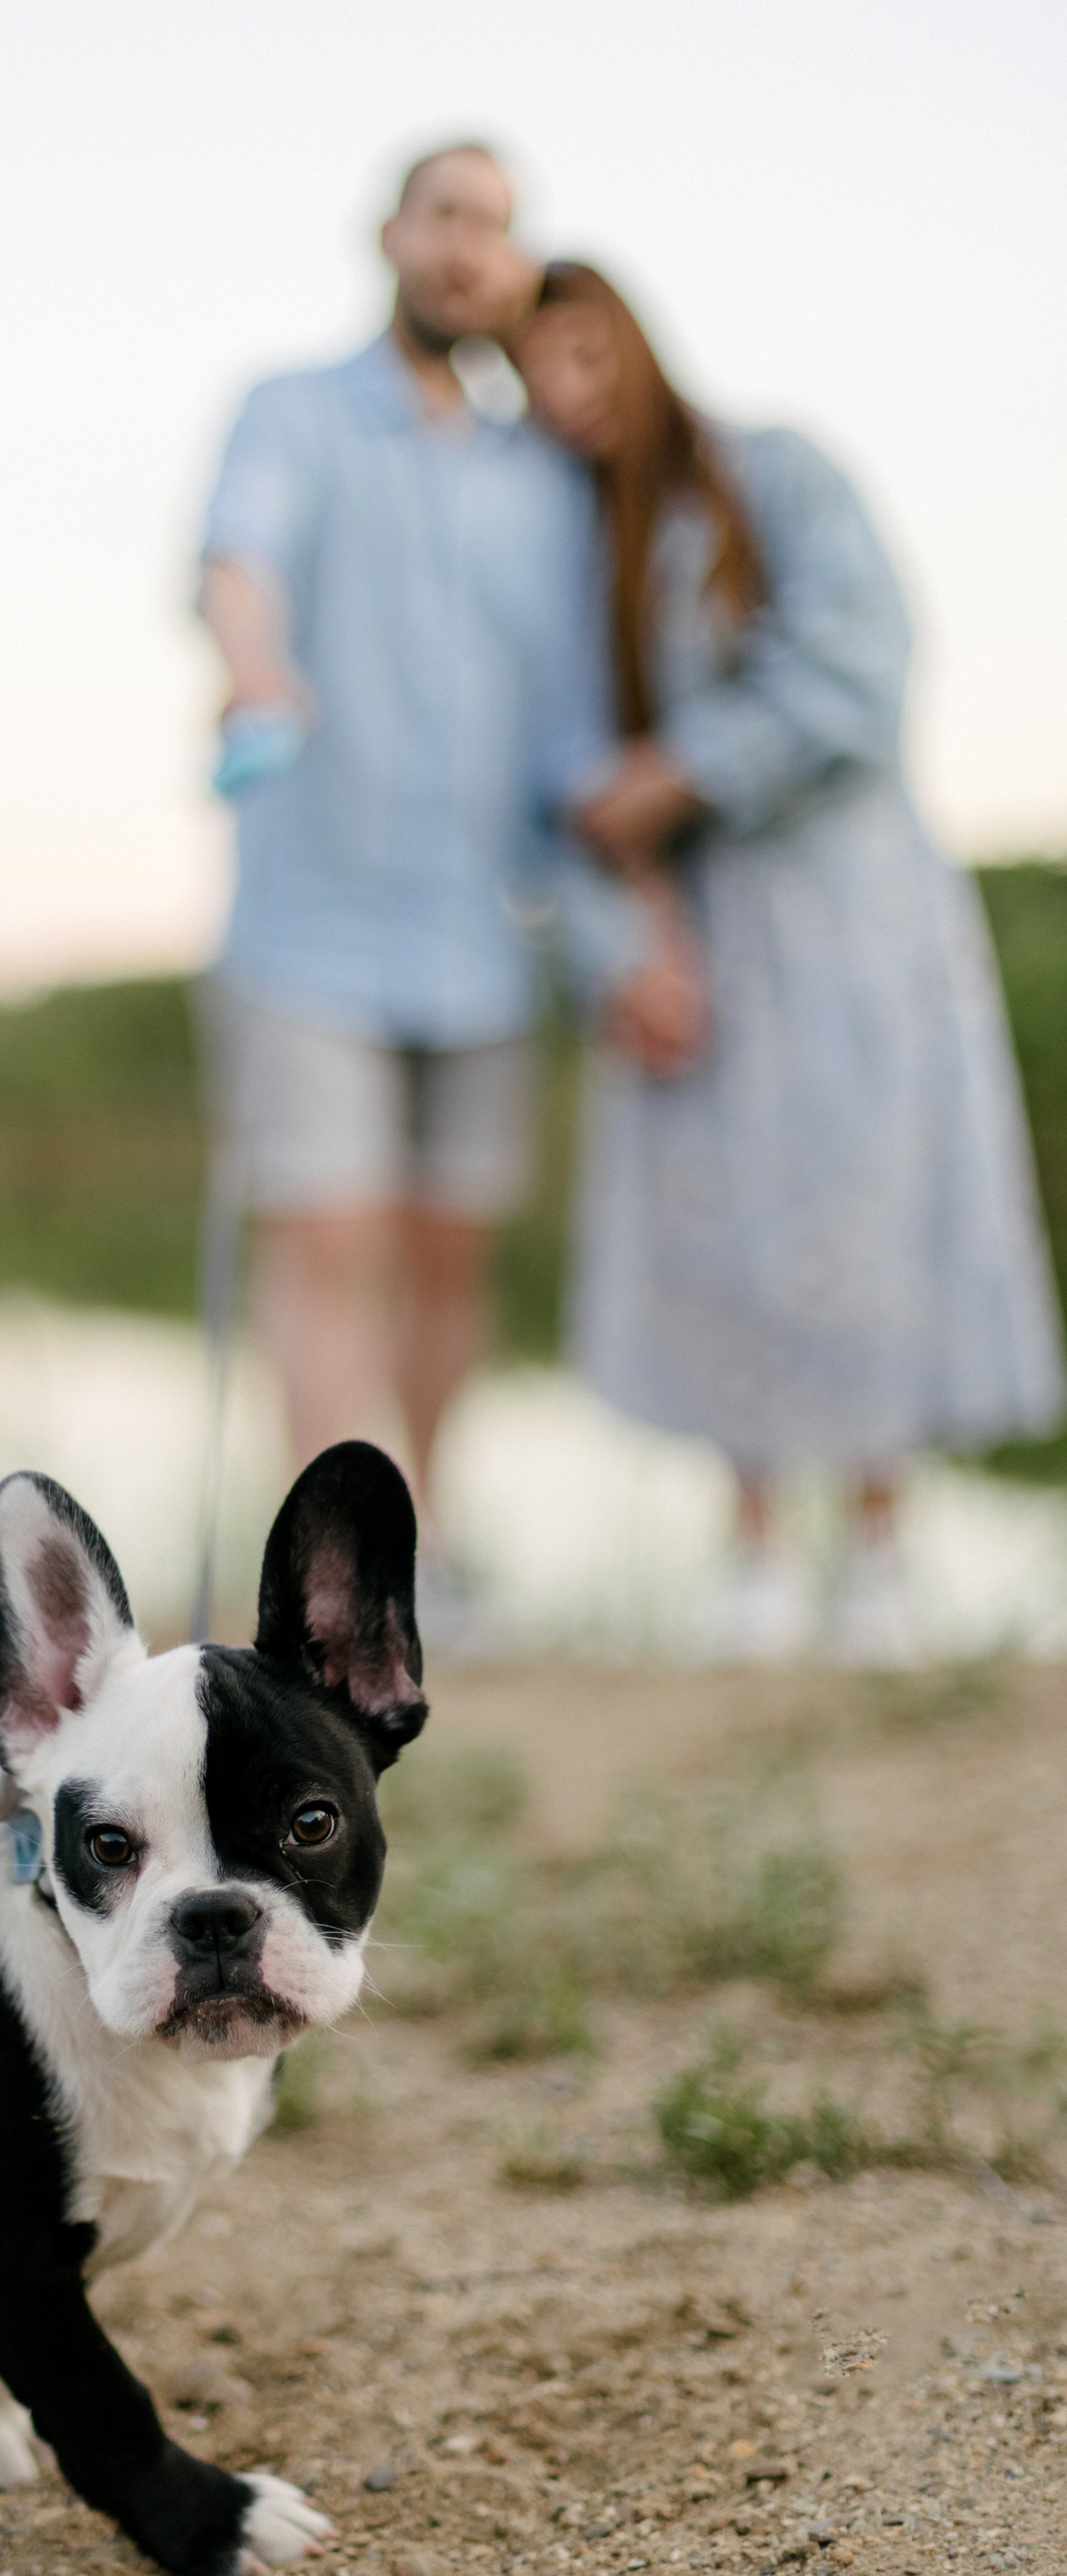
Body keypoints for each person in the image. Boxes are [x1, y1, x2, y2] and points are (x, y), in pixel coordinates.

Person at [514, 261, 1065, 1662]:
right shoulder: (572, 549)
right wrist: (620, 947)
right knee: (725, 1225)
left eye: (584, 358)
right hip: (697, 938)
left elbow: (863, 671)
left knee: (869, 1203)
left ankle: (881, 1542)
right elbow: (560, 788)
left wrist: (685, 772)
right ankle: (753, 1546)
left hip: (851, 913)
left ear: (632, 343)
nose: (567, 399)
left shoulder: (782, 474)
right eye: (536, 379)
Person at [196, 145, 601, 1628]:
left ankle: (409, 1568)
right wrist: (255, 673)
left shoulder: (539, 473)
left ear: (511, 262)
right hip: (312, 918)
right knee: (328, 1246)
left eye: (493, 230)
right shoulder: (293, 413)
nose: (465, 251)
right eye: (445, 216)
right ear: (389, 235)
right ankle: (332, 1592)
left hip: (490, 931)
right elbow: (237, 559)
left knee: (446, 1258)